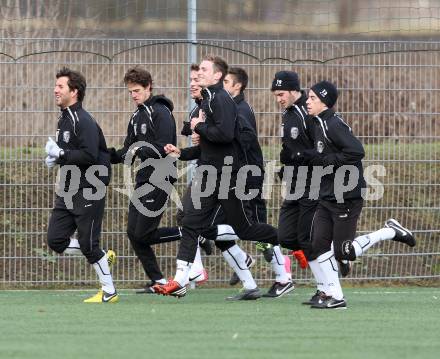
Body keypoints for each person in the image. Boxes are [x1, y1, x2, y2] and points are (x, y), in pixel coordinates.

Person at [154, 55, 293, 299]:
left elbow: (228, 136)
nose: (198, 75)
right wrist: (183, 150)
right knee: (190, 222)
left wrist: (199, 128)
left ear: (219, 77)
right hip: (211, 176)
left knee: (248, 229)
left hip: (236, 177)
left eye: (204, 70)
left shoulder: (225, 101)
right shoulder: (209, 100)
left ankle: (294, 246)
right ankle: (181, 279)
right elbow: (210, 142)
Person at [303, 80, 416, 309]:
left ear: (325, 102)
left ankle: (389, 231)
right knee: (317, 245)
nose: (308, 101)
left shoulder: (333, 124)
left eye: (313, 98)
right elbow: (322, 156)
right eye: (308, 97)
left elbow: (356, 151)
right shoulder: (317, 123)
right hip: (327, 195)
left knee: (345, 251)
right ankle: (332, 295)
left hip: (346, 195)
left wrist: (327, 161)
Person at [45, 67, 117, 303]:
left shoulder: (83, 120)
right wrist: (56, 157)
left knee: (88, 242)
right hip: (68, 189)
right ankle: (102, 256)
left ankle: (109, 291)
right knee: (55, 239)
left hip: (89, 188)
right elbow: (70, 153)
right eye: (55, 86)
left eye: (60, 86)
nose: (55, 90)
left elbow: (89, 156)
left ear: (73, 91)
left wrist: (61, 154)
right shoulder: (64, 118)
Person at [108, 67, 177, 292]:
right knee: (133, 233)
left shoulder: (161, 113)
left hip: (161, 177)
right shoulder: (137, 115)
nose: (134, 95)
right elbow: (128, 150)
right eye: (130, 92)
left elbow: (163, 149)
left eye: (137, 91)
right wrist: (102, 155)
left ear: (148, 87)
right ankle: (157, 280)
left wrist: (139, 148)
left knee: (143, 233)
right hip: (144, 178)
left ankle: (192, 232)